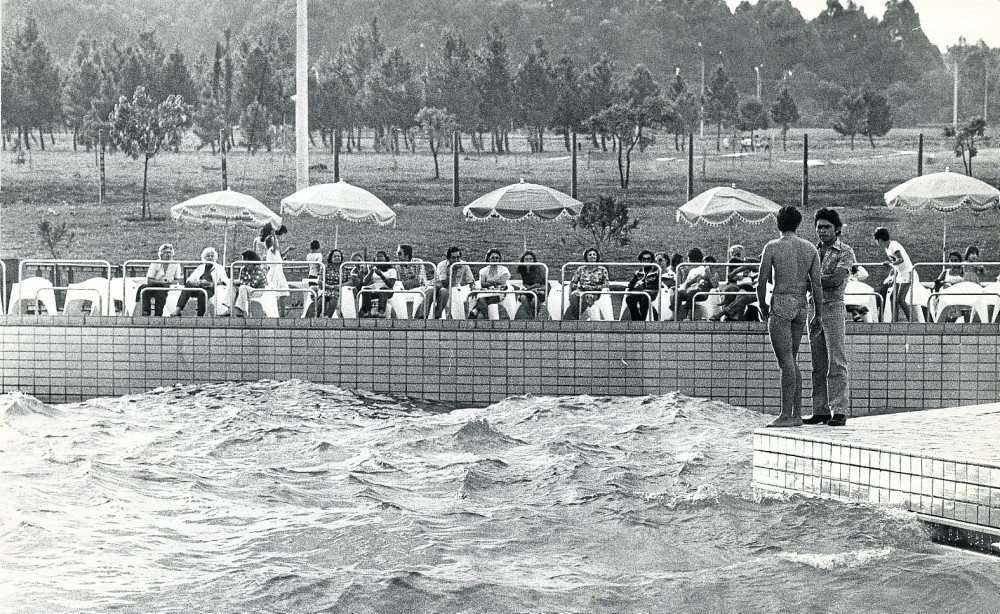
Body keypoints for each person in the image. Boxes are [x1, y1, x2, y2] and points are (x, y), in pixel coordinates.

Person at [757, 206, 823, 428]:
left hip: (782, 301)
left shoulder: (773, 247)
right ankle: (796, 413)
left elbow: (761, 281)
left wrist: (763, 305)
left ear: (778, 223)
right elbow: (816, 284)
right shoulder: (810, 248)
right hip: (801, 304)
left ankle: (786, 414)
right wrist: (819, 314)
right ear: (797, 223)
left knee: (785, 362)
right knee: (792, 361)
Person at [805, 208, 855, 427]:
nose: (822, 231)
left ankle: (839, 410)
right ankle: (820, 409)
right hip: (813, 306)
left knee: (836, 359)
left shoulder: (845, 251)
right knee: (818, 362)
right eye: (819, 227)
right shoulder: (811, 250)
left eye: (826, 227)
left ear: (837, 229)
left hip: (833, 307)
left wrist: (812, 281)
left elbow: (836, 279)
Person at [172, 247, 230, 316]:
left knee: (202, 293)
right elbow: (189, 280)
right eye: (208, 256)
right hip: (199, 286)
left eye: (212, 256)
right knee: (187, 286)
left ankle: (200, 315)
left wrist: (212, 284)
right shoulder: (201, 267)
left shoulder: (219, 268)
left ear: (215, 258)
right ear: (204, 258)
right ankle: (178, 309)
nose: (210, 258)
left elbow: (225, 282)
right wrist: (197, 282)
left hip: (211, 289)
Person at [873, 227, 913, 321]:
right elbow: (896, 263)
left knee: (900, 299)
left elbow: (900, 259)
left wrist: (890, 264)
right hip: (900, 274)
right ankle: (894, 321)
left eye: (876, 240)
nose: (876, 243)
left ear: (880, 239)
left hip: (907, 273)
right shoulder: (887, 248)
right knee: (893, 298)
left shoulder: (893, 245)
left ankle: (912, 321)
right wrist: (891, 274)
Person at [562, 248, 610, 320]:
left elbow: (606, 284)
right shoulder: (581, 269)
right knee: (575, 296)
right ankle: (571, 320)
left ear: (597, 257)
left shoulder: (602, 269)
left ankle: (569, 320)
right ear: (586, 257)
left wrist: (593, 289)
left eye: (594, 254)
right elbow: (573, 283)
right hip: (581, 290)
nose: (592, 256)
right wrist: (577, 289)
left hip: (595, 292)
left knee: (585, 298)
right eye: (590, 255)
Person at [137, 243, 183, 316]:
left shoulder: (176, 264)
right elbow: (149, 279)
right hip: (155, 285)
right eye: (166, 253)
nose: (168, 255)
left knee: (161, 292)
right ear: (161, 254)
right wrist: (161, 282)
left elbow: (177, 280)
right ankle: (146, 313)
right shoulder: (155, 263)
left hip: (168, 286)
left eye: (170, 253)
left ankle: (158, 314)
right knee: (144, 288)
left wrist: (169, 282)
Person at [674, 248, 717, 321]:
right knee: (677, 292)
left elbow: (711, 283)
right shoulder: (692, 270)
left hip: (700, 291)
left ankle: (688, 316)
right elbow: (686, 284)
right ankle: (675, 314)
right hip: (690, 289)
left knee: (691, 292)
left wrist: (707, 274)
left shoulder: (704, 269)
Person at [433, 246, 474, 319]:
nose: (456, 260)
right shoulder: (442, 265)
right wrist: (453, 271)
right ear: (448, 258)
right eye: (453, 258)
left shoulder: (464, 264)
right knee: (453, 293)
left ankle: (466, 318)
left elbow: (470, 280)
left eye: (458, 257)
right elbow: (444, 284)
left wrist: (472, 288)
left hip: (457, 287)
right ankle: (454, 318)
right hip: (442, 288)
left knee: (467, 296)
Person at [470, 249, 510, 319]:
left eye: (497, 258)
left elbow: (502, 282)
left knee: (482, 300)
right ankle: (487, 319)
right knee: (481, 299)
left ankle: (476, 309)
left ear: (500, 259)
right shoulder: (483, 270)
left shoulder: (504, 269)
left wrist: (489, 282)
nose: (495, 260)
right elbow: (483, 284)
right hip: (486, 291)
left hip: (499, 292)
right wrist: (496, 282)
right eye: (493, 258)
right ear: (489, 258)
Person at [395, 244, 432, 317]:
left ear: (407, 256)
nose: (397, 256)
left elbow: (419, 281)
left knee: (418, 294)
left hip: (420, 288)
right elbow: (399, 282)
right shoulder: (398, 265)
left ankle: (416, 317)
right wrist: (408, 283)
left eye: (399, 254)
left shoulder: (418, 262)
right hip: (405, 289)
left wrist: (408, 283)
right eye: (397, 253)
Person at [625, 250, 660, 321]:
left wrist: (644, 286)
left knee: (644, 298)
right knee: (629, 299)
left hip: (651, 292)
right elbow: (631, 284)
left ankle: (643, 320)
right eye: (644, 259)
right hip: (640, 292)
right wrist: (635, 285)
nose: (646, 261)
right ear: (641, 261)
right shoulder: (639, 272)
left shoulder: (657, 271)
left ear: (652, 260)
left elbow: (657, 285)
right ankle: (636, 320)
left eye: (648, 259)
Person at [360, 250, 397, 317]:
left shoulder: (392, 270)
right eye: (377, 256)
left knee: (382, 290)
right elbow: (364, 282)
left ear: (386, 259)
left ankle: (381, 311)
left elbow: (390, 285)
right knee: (365, 289)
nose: (379, 258)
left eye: (381, 256)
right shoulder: (373, 269)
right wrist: (370, 272)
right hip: (375, 290)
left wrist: (381, 275)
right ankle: (367, 311)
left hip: (387, 291)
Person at [232, 250, 268, 317]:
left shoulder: (259, 270)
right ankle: (229, 307)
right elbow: (242, 280)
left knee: (243, 287)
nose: (243, 263)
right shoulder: (243, 269)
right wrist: (237, 283)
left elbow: (253, 284)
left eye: (245, 260)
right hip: (246, 290)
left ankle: (241, 310)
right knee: (232, 286)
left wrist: (241, 283)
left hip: (258, 290)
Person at [516, 251, 547, 319]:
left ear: (534, 260)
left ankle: (533, 317)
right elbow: (525, 283)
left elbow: (538, 284)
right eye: (526, 259)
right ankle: (532, 318)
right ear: (523, 260)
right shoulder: (522, 269)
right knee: (523, 298)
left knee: (534, 301)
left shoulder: (538, 268)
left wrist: (528, 288)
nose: (528, 261)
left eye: (530, 259)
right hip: (530, 290)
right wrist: (527, 288)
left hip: (540, 290)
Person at [321, 249, 345, 317]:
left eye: (338, 256)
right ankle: (313, 318)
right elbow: (320, 280)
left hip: (338, 290)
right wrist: (327, 286)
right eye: (335, 256)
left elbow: (350, 281)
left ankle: (328, 317)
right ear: (331, 258)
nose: (337, 258)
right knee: (321, 300)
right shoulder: (325, 268)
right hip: (326, 289)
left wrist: (339, 286)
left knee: (334, 299)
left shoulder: (344, 268)